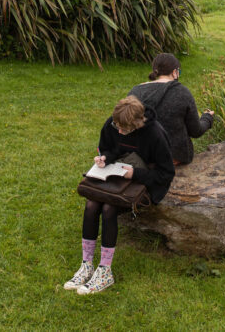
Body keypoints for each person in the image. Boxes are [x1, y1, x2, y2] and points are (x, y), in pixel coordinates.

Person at [63, 95, 175, 295]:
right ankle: (86, 264)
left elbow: (166, 173)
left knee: (108, 208)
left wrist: (136, 173)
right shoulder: (114, 124)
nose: (120, 132)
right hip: (115, 176)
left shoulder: (156, 134)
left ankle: (105, 271)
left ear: (139, 123)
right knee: (91, 205)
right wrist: (104, 157)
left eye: (125, 129)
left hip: (142, 183)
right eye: (118, 127)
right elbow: (110, 146)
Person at [128, 53, 214, 165]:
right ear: (175, 72)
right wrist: (207, 118)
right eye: (179, 72)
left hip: (143, 156)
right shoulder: (182, 92)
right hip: (173, 157)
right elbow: (196, 131)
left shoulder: (136, 91)